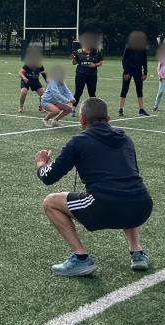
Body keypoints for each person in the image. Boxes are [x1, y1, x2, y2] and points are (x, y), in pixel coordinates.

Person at [34, 97, 153, 277]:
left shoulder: (77, 141)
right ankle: (137, 253)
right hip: (142, 205)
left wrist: (41, 163)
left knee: (50, 202)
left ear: (82, 120)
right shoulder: (126, 139)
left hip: (105, 206)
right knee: (126, 189)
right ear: (109, 119)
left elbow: (49, 177)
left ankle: (80, 259)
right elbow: (132, 173)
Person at [118, 31, 149, 117]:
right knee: (124, 89)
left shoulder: (143, 49)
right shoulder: (129, 48)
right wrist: (126, 72)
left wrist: (145, 73)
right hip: (127, 71)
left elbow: (145, 62)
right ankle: (120, 109)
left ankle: (141, 109)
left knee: (139, 89)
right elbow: (123, 60)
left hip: (138, 71)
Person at [71, 33, 103, 105]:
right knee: (78, 92)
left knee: (92, 93)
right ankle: (73, 109)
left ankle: (93, 109)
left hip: (92, 75)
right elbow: (74, 63)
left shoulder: (96, 51)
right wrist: (73, 59)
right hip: (80, 74)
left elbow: (101, 62)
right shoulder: (78, 51)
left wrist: (94, 65)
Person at [18, 46, 47, 113]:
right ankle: (21, 107)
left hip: (35, 81)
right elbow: (20, 72)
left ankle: (41, 107)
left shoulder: (40, 66)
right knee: (24, 91)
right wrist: (24, 78)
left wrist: (49, 82)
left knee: (43, 94)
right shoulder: (27, 65)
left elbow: (44, 74)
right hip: (26, 80)